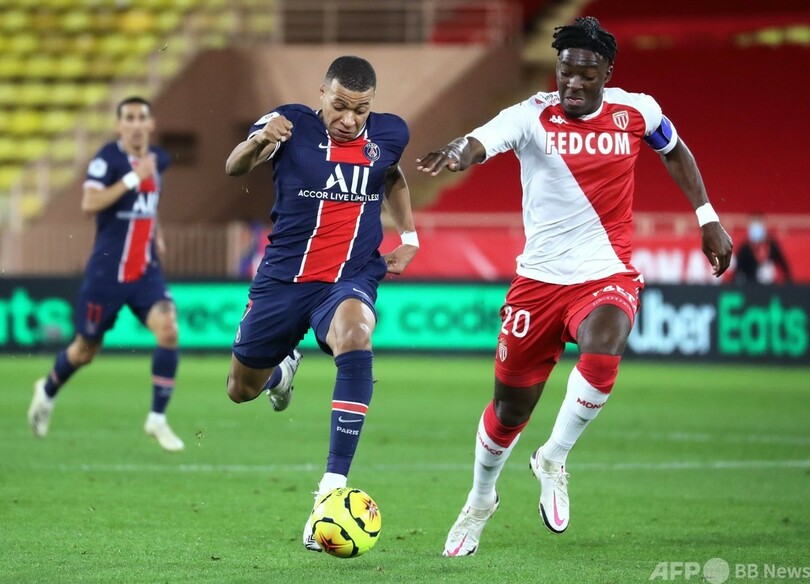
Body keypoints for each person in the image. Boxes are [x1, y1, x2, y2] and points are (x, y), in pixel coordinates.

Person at [416, 16, 733, 556]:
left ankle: (554, 457)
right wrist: (456, 152)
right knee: (509, 412)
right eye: (566, 72)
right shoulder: (530, 116)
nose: (574, 83)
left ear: (607, 72)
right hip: (537, 285)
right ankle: (481, 499)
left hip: (605, 273)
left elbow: (675, 149)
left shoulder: (638, 111)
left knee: (605, 347)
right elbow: (480, 141)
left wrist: (707, 216)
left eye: (587, 74)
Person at [224, 55, 419, 552]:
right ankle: (280, 372)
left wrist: (409, 236)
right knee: (240, 390)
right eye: (339, 106)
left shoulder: (391, 133)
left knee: (356, 334)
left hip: (350, 278)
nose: (349, 119)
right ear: (322, 94)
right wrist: (259, 141)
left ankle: (331, 488)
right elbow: (234, 166)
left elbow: (391, 176)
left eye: (360, 110)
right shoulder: (288, 123)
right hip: (284, 280)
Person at [27, 96, 184, 452]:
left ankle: (157, 418)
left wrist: (156, 230)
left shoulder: (158, 159)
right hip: (107, 273)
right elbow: (89, 203)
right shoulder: (107, 160)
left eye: (142, 117)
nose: (136, 124)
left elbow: (149, 202)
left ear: (151, 124)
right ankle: (47, 390)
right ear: (119, 125)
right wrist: (132, 178)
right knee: (85, 351)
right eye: (129, 118)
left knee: (168, 328)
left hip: (145, 270)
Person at [733, 214, 792, 284]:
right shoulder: (744, 248)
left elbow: (784, 265)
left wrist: (788, 281)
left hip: (769, 284)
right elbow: (737, 270)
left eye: (758, 223)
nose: (756, 227)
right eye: (754, 223)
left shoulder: (771, 245)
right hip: (749, 284)